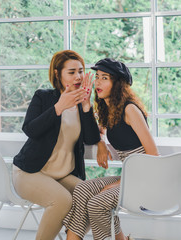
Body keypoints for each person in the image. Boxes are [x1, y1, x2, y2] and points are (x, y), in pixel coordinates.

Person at [12, 50, 109, 240]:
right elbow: (30, 129)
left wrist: (87, 106)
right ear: (58, 74)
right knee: (62, 201)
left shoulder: (82, 104)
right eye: (71, 72)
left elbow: (90, 138)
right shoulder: (43, 97)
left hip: (61, 176)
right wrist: (59, 107)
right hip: (30, 173)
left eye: (81, 71)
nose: (78, 77)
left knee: (93, 198)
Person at [63, 58, 159, 240]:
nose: (97, 82)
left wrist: (121, 183)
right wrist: (86, 106)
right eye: (97, 77)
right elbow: (95, 132)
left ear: (117, 84)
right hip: (132, 178)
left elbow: (153, 154)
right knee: (83, 189)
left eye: (104, 78)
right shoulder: (110, 111)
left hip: (146, 180)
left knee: (97, 203)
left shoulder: (130, 110)